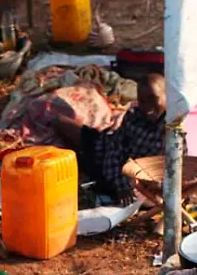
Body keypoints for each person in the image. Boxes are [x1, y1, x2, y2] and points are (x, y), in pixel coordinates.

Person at [53, 72, 166, 204]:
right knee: (60, 123)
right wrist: (121, 184)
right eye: (142, 101)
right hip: (103, 154)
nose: (147, 107)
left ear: (167, 97)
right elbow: (113, 153)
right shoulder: (133, 119)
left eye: (153, 99)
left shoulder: (172, 128)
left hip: (130, 176)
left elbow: (174, 167)